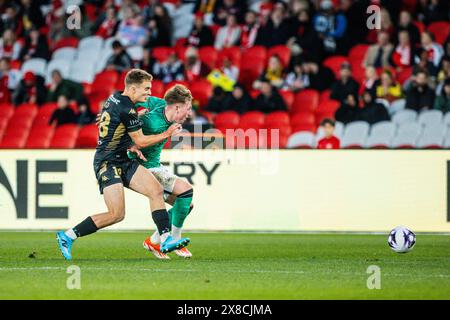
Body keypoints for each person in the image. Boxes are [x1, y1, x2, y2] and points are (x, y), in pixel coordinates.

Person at [56, 69, 190, 261]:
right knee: (116, 214)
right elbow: (142, 141)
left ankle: (165, 239)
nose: (149, 93)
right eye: (146, 88)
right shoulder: (127, 109)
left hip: (124, 159)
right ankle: (67, 235)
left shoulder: (115, 99)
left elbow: (116, 127)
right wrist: (167, 134)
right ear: (133, 88)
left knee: (156, 191)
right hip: (107, 162)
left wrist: (128, 144)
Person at [133, 85, 195, 259]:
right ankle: (175, 240)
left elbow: (135, 101)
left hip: (155, 165)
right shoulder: (151, 121)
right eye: (187, 108)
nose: (189, 113)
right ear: (177, 107)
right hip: (143, 168)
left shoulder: (160, 103)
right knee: (186, 191)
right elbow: (128, 106)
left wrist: (132, 112)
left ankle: (154, 241)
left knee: (186, 205)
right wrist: (114, 116)